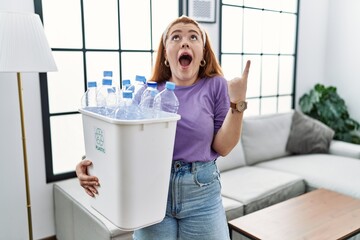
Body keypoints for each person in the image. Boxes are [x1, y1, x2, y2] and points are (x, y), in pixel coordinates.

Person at [76, 15, 250, 240]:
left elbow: (223, 147)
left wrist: (238, 104)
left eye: (193, 37)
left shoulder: (216, 85)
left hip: (201, 193)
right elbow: (121, 139)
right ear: (166, 53)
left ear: (203, 54)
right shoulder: (147, 93)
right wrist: (90, 163)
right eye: (175, 37)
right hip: (150, 190)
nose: (184, 42)